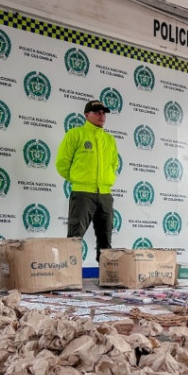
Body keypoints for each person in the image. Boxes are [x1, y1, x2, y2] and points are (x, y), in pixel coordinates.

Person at [56, 100, 119, 261]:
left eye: (103, 112)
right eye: (97, 112)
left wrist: (107, 181)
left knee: (105, 241)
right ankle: (69, 276)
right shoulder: (75, 134)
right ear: (86, 115)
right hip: (83, 193)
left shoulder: (110, 140)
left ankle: (106, 276)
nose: (101, 115)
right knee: (75, 238)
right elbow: (62, 163)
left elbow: (114, 164)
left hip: (105, 194)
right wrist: (79, 180)